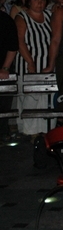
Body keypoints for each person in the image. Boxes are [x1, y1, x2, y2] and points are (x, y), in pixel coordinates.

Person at [15, 0, 54, 136]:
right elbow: (19, 41)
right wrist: (30, 62)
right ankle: (30, 131)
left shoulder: (50, 15)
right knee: (30, 99)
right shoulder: (22, 17)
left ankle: (44, 130)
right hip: (28, 63)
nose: (39, 2)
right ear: (29, 1)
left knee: (45, 98)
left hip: (47, 64)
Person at [0, 10, 19, 140]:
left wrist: (5, 67)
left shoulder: (5, 20)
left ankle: (2, 134)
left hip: (2, 70)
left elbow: (13, 46)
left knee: (3, 106)